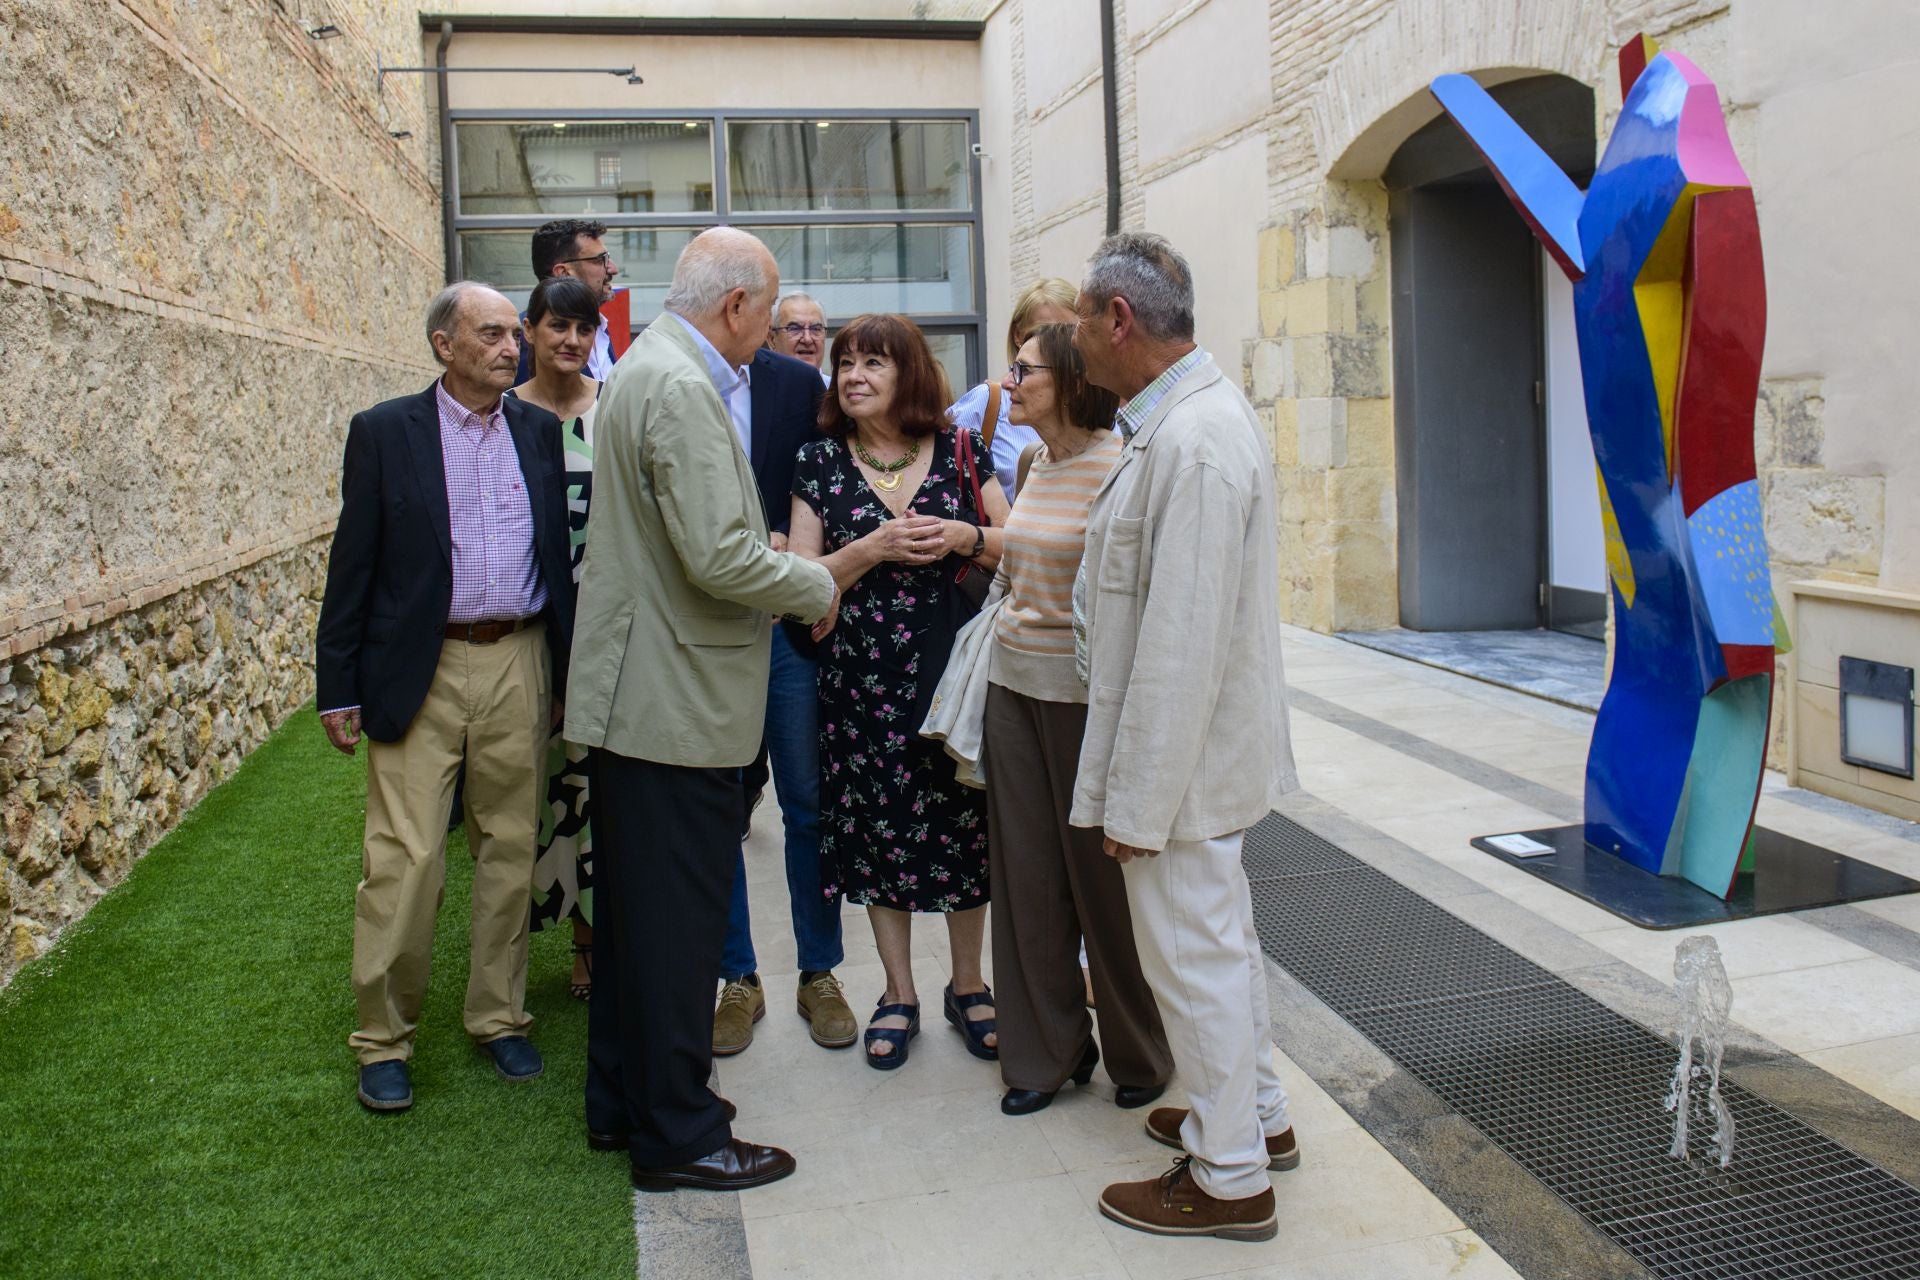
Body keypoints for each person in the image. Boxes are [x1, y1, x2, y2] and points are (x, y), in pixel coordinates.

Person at [567, 228, 837, 1193]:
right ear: (737, 307)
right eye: (769, 316)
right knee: (677, 935)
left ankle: (621, 1102)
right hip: (673, 702)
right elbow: (721, 560)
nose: (770, 336)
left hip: (645, 696)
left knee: (640, 928)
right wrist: (815, 582)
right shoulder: (684, 387)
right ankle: (678, 1136)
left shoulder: (647, 367)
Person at [1068, 233, 1300, 1242]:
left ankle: (1230, 1172)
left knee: (1192, 958)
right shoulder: (1180, 420)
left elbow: (1181, 641)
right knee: (1220, 942)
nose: (1075, 342)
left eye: (1081, 322)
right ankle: (1253, 1111)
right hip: (1199, 758)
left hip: (1185, 766)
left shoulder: (1196, 439)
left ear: (1119, 321)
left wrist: (1138, 804)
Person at [315, 282, 575, 1113]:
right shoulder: (385, 432)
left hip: (521, 658)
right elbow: (352, 564)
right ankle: (383, 1039)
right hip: (417, 668)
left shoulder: (537, 431)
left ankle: (498, 1017)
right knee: (408, 856)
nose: (512, 347)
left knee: (509, 846)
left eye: (512, 334)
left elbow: (557, 561)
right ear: (444, 345)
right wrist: (337, 684)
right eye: (492, 334)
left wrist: (564, 676)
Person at [788, 314, 1011, 1070]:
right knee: (879, 829)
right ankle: (897, 991)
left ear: (907, 371)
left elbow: (1012, 544)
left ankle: (970, 984)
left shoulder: (958, 447)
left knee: (965, 825)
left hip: (954, 675)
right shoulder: (818, 460)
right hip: (860, 680)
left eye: (872, 363)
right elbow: (803, 583)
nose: (853, 376)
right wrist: (872, 548)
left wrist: (960, 535)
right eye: (845, 363)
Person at [981, 322, 1173, 1117]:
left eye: (1023, 371)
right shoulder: (1030, 463)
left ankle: (1139, 1050)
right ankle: (1044, 1055)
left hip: (1086, 700)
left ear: (1067, 380)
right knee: (1025, 882)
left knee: (1105, 889)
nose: (1010, 383)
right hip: (1012, 690)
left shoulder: (1121, 468)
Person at [711, 335, 857, 1058]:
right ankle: (737, 978)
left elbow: (833, 476)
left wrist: (795, 558)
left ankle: (819, 972)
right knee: (722, 805)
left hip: (786, 636)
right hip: (705, 634)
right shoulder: (676, 379)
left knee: (807, 804)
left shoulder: (799, 386)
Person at [511, 277, 604, 1001]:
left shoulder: (615, 409)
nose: (570, 341)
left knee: (593, 788)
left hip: (604, 628)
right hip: (531, 628)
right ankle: (512, 951)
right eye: (557, 327)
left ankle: (591, 944)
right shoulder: (504, 416)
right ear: (529, 330)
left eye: (583, 328)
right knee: (533, 791)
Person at [947, 277, 1080, 501]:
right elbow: (931, 465)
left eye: (1069, 332)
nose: (1056, 344)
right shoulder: (990, 401)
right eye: (1042, 332)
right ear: (1019, 334)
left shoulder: (1103, 407)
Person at [513, 218, 623, 383]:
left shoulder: (600, 326)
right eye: (600, 260)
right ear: (563, 273)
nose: (613, 269)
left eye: (584, 330)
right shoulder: (520, 340)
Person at [767, 292, 829, 381]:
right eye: (795, 329)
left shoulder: (838, 392)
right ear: (772, 339)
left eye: (815, 329)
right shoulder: (756, 391)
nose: (807, 339)